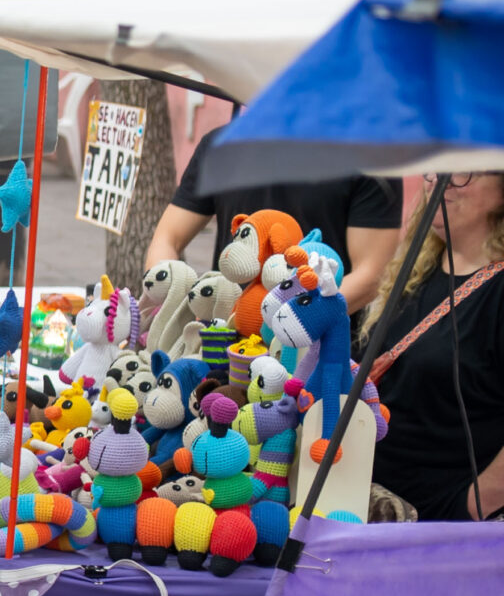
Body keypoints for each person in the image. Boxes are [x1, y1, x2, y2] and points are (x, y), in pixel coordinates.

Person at [366, 172, 504, 522]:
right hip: (372, 507)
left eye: (463, 171)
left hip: (442, 520)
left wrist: (477, 503)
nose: (438, 181)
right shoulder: (416, 268)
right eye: (436, 168)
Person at [149, 140, 400, 310]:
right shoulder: (223, 145)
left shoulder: (371, 157)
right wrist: (173, 303)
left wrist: (288, 320)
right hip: (223, 339)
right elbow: (167, 239)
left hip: (315, 353)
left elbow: (372, 275)